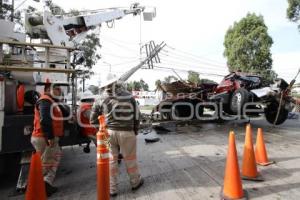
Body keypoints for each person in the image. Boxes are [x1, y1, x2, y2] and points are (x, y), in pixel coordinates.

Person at [90, 79, 143, 197]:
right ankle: (135, 183)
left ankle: (112, 189)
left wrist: (101, 130)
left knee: (111, 160)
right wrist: (135, 130)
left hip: (108, 134)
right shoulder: (129, 96)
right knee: (130, 159)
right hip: (127, 134)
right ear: (117, 84)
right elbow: (137, 116)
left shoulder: (100, 98)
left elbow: (92, 119)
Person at [31, 83, 64, 197]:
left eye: (60, 89)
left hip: (46, 137)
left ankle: (46, 184)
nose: (59, 91)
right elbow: (45, 119)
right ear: (49, 89)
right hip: (44, 137)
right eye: (57, 89)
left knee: (54, 157)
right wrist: (49, 137)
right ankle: (36, 187)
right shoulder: (45, 100)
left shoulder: (50, 101)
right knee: (46, 163)